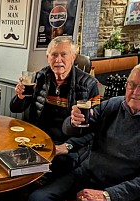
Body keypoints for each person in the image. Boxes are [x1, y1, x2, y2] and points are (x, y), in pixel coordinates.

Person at [29, 64, 140, 201]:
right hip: (88, 173)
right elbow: (79, 127)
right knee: (38, 199)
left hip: (119, 192)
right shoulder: (114, 104)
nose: (135, 92)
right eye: (132, 85)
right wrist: (73, 121)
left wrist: (106, 195)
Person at [10, 36, 100, 178]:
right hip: (38, 139)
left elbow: (94, 128)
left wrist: (67, 146)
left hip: (67, 145)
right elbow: (15, 109)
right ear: (48, 57)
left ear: (73, 57)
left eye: (63, 54)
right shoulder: (39, 77)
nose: (58, 60)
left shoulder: (89, 84)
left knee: (52, 169)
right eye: (54, 55)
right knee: (7, 159)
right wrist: (20, 97)